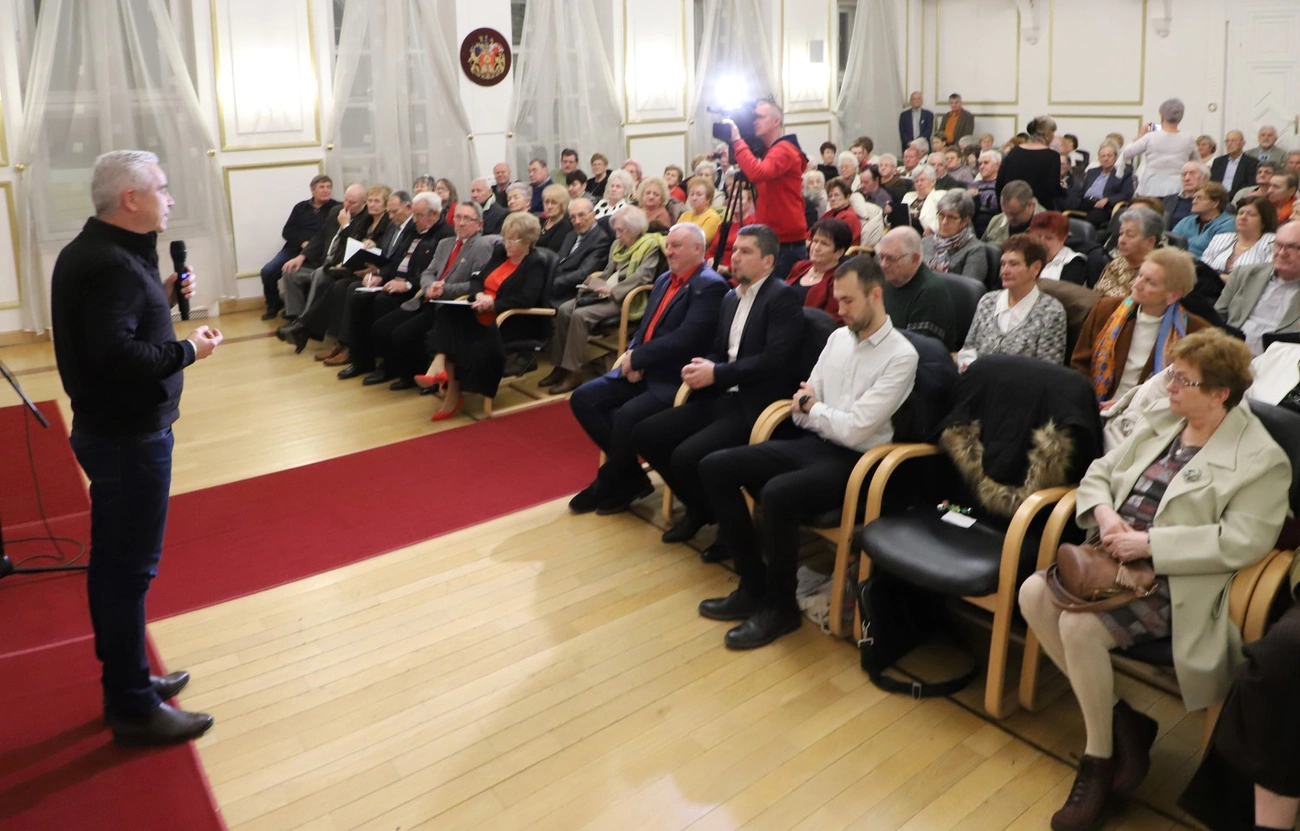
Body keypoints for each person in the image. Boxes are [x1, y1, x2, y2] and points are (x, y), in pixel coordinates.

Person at [1019, 328, 1288, 831]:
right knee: (1032, 592)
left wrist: (1151, 545)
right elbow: (1100, 471)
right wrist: (1104, 514)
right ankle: (1122, 719)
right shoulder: (1165, 418)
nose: (1170, 386)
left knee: (1078, 626)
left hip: (1177, 581)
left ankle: (1098, 759)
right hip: (1112, 559)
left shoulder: (1261, 458)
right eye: (1173, 375)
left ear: (1220, 393)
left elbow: (1245, 539)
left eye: (1184, 380)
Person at [51, 149, 221, 745]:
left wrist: (162, 295)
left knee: (117, 567)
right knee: (128, 573)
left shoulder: (99, 251)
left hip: (113, 430)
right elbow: (118, 357)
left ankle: (129, 680)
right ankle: (132, 706)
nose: (169, 198)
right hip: (128, 436)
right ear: (131, 198)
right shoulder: (112, 264)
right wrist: (189, 350)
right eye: (162, 188)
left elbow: (111, 330)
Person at [697, 253, 919, 649]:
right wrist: (815, 410)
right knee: (715, 467)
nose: (840, 309)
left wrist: (814, 408)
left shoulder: (901, 356)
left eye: (848, 301)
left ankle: (781, 608)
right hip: (814, 444)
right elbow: (801, 407)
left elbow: (852, 430)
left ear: (875, 295)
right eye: (838, 299)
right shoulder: (837, 338)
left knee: (778, 493)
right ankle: (753, 585)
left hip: (857, 463)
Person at [633, 224, 804, 544]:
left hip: (757, 404)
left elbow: (774, 361)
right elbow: (718, 350)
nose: (734, 257)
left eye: (745, 251)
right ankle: (702, 509)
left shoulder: (782, 297)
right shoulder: (730, 296)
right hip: (723, 395)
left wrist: (717, 373)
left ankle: (731, 530)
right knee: (646, 433)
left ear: (768, 261)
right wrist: (701, 366)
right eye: (734, 250)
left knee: (687, 456)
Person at [568, 224, 728, 514]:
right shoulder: (665, 278)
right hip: (645, 366)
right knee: (583, 398)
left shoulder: (710, 286)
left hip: (674, 376)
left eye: (676, 246)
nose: (669, 251)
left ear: (697, 249)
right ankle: (631, 478)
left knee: (627, 414)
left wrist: (640, 359)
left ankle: (607, 481)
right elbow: (645, 327)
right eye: (668, 245)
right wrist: (633, 355)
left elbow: (687, 339)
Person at [420, 211, 550, 420]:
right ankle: (441, 370)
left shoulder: (535, 262)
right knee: (447, 311)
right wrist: (479, 294)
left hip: (509, 320)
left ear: (528, 241)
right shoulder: (500, 253)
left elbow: (526, 299)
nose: (507, 244)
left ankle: (446, 383)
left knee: (453, 330)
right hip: (480, 310)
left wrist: (493, 304)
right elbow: (477, 280)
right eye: (505, 238)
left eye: (513, 240)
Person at [370, 201, 496, 391]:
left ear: (479, 224)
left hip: (449, 306)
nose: (461, 223)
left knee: (402, 333)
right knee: (380, 327)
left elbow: (477, 284)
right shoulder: (445, 243)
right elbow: (428, 272)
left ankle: (414, 376)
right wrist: (429, 286)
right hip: (427, 297)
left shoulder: (481, 246)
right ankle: (395, 369)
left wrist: (444, 288)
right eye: (458, 217)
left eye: (467, 219)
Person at [540, 205, 664, 395]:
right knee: (564, 309)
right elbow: (607, 272)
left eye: (621, 230)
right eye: (616, 230)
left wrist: (613, 290)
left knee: (580, 315)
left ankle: (573, 372)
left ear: (634, 229)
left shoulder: (649, 246)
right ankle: (560, 367)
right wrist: (593, 283)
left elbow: (643, 277)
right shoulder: (617, 245)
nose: (617, 235)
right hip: (604, 292)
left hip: (626, 298)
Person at [335, 192, 450, 382]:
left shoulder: (444, 235)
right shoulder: (413, 230)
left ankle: (389, 365)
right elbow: (395, 261)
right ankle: (361, 360)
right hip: (394, 282)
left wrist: (407, 284)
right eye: (414, 215)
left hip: (414, 290)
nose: (415, 220)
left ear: (435, 215)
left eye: (419, 215)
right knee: (359, 299)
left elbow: (435, 272)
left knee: (383, 301)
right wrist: (379, 276)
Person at [1073, 248, 1210, 405]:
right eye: (1139, 275)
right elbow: (1080, 365)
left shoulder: (1195, 333)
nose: (1137, 284)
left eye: (1150, 282)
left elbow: (1188, 389)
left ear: (1173, 295)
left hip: (1148, 411)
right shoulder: (1105, 309)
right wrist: (1091, 403)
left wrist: (1127, 405)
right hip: (1092, 403)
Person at [723, 99, 809, 278]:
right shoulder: (770, 150)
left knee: (778, 292)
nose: (755, 121)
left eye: (760, 117)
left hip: (785, 241)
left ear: (776, 121)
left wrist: (737, 140)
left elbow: (757, 173)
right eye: (754, 118)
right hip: (774, 236)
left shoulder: (784, 149)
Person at [955, 234, 1067, 370]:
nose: (1004, 271)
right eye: (1003, 264)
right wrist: (969, 367)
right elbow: (968, 349)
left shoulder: (1052, 313)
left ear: (1035, 268)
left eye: (1013, 264)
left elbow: (1048, 371)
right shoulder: (987, 301)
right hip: (976, 378)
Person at [279, 182, 367, 321]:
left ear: (363, 203)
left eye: (353, 202)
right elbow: (320, 237)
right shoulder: (336, 211)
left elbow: (354, 245)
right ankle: (295, 317)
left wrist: (346, 225)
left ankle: (307, 320)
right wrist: (301, 256)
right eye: (346, 200)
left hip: (341, 266)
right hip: (322, 260)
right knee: (290, 271)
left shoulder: (366, 218)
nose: (347, 205)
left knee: (320, 274)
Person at [1215, 220, 1300, 355]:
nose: (1281, 253)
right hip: (1230, 356)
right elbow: (1217, 317)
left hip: (1281, 362)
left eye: (1292, 247)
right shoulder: (1244, 274)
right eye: (1278, 245)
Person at [260, 174, 337, 320]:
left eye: (328, 187)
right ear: (312, 190)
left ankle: (298, 312)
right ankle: (274, 304)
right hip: (294, 248)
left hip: (318, 252)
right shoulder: (300, 207)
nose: (326, 190)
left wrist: (311, 246)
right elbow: (287, 231)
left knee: (298, 274)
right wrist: (302, 242)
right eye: (322, 187)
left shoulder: (335, 208)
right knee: (268, 271)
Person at [876, 227, 958, 349]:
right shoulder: (885, 281)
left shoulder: (931, 294)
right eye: (881, 257)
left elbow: (918, 349)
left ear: (914, 259)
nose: (883, 264)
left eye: (890, 258)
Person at [1122, 99, 1200, 197]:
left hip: (1150, 188)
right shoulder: (1189, 139)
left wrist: (1141, 135)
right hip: (1176, 188)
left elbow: (1127, 153)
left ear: (1162, 116)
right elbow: (1197, 163)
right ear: (1180, 118)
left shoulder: (1150, 137)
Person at [1199, 195, 1278, 285]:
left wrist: (1220, 278)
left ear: (1264, 221)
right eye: (1240, 213)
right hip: (1210, 288)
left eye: (1251, 214)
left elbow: (1268, 277)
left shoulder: (1273, 242)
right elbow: (1203, 269)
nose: (1243, 217)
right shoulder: (1221, 238)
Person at [548, 197, 611, 308]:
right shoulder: (571, 235)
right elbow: (558, 260)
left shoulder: (601, 240)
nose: (577, 221)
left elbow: (583, 273)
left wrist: (551, 283)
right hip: (554, 283)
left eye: (581, 215)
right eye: (573, 217)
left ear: (593, 214)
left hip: (570, 292)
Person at [785, 218, 852, 320]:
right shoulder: (800, 266)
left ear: (839, 252)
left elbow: (830, 320)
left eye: (824, 244)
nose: (816, 248)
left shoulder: (839, 280)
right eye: (815, 241)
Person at [997, 116, 1065, 210]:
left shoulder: (1014, 152)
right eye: (1053, 133)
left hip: (1013, 207)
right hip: (1038, 210)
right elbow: (1052, 188)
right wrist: (1063, 190)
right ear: (1047, 134)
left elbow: (1000, 182)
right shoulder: (1052, 156)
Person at [1094, 206, 1163, 297]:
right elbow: (1097, 293)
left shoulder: (1156, 274)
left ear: (1150, 242)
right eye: (1121, 233)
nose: (1121, 240)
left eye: (1130, 235)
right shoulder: (1117, 262)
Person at [921, 189, 987, 283]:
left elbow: (968, 287)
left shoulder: (975, 249)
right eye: (941, 215)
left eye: (951, 217)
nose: (944, 222)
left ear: (965, 221)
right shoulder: (925, 242)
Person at [1070, 142, 1132, 228]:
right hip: (1085, 202)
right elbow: (1082, 190)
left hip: (1104, 206)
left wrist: (1108, 199)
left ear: (1116, 157)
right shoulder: (1092, 171)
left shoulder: (1123, 173)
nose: (1106, 159)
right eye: (1103, 156)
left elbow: (1127, 194)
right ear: (1099, 159)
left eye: (1109, 156)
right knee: (1063, 209)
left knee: (1093, 218)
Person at [1170, 182, 1234, 257]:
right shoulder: (1186, 221)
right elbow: (1169, 244)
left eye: (1199, 198)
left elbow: (1213, 257)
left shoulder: (1227, 224)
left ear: (1215, 203)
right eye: (1194, 198)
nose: (1193, 201)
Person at [1029, 211, 1088, 284]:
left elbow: (1066, 290)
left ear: (1063, 238)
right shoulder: (1025, 256)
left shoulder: (1074, 263)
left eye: (1049, 238)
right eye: (1037, 236)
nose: (1041, 242)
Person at [982, 179, 1040, 244]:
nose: (1009, 218)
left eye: (1014, 214)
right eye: (1006, 213)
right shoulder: (995, 222)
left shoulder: (1046, 228)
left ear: (1030, 205)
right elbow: (982, 248)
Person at [1210, 130, 1259, 198]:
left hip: (1238, 197)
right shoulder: (1218, 161)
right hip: (1217, 196)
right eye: (1227, 141)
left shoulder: (1252, 163)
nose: (1229, 144)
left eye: (1233, 141)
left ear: (1243, 143)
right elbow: (1213, 182)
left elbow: (1250, 186)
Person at [1163, 162, 1211, 229]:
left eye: (1192, 174)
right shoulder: (1168, 199)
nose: (1186, 178)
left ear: (1205, 178)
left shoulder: (1211, 201)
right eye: (1184, 175)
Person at [902, 165, 946, 236]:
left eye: (922, 180)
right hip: (905, 234)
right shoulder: (908, 196)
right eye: (916, 181)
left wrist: (932, 228)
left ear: (933, 182)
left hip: (927, 235)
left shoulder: (940, 196)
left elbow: (945, 218)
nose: (919, 183)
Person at [678, 176, 721, 246]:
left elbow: (701, 241)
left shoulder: (712, 217)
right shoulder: (685, 215)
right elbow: (674, 235)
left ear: (708, 198)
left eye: (699, 194)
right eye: (691, 194)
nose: (694, 198)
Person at [970, 150, 1002, 237]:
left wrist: (977, 197)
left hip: (993, 227)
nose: (981, 166)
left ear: (997, 166)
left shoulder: (1001, 185)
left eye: (986, 163)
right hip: (971, 226)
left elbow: (997, 205)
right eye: (980, 164)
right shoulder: (973, 185)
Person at [821, 178, 862, 246]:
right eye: (830, 196)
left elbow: (834, 240)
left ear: (847, 197)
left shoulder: (850, 217)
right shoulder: (828, 214)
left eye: (836, 195)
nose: (832, 199)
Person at [537, 183, 573, 253]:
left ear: (563, 204)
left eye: (554, 203)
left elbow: (551, 252)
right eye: (546, 202)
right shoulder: (540, 221)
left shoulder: (565, 227)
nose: (549, 206)